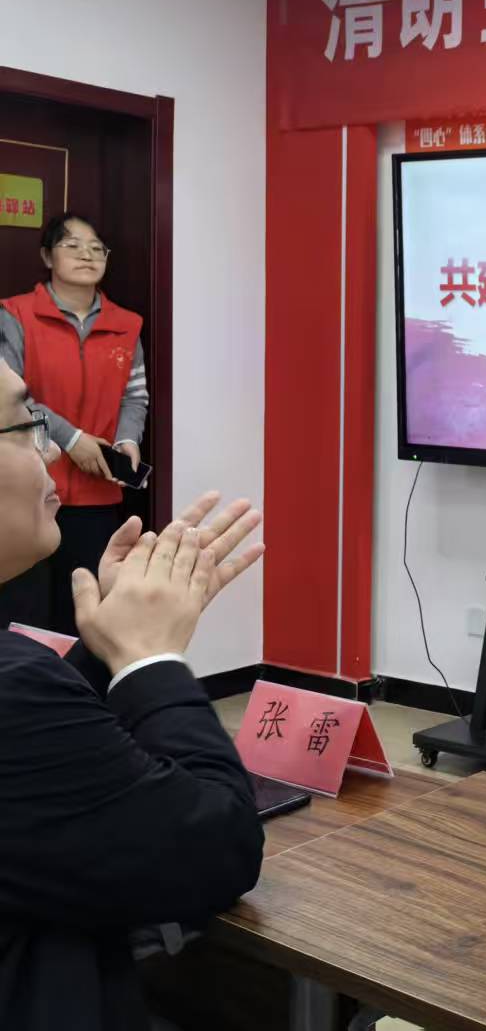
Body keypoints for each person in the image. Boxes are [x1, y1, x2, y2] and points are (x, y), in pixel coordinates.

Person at [0, 362, 266, 1028]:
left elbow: (43, 780)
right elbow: (216, 849)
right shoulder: (14, 691)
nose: (50, 453)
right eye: (26, 426)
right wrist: (151, 659)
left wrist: (109, 648)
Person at [0, 213, 148, 635]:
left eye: (97, 247)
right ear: (47, 256)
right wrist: (73, 439)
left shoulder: (126, 325)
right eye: (72, 245)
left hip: (97, 494)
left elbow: (134, 396)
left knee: (86, 611)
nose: (88, 254)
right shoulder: (14, 314)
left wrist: (127, 440)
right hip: (27, 489)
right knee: (23, 613)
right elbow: (11, 398)